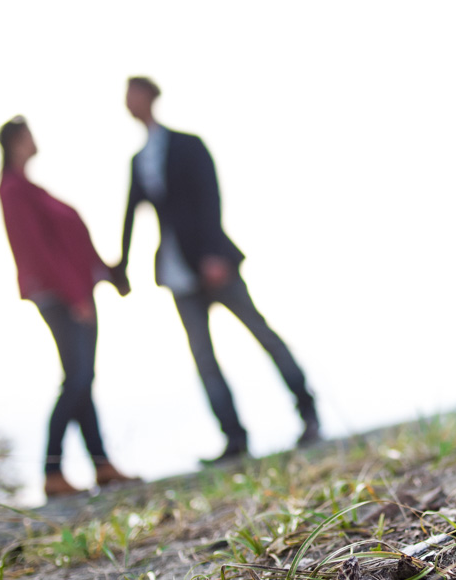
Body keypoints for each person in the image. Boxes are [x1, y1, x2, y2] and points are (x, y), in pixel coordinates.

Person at [112, 76, 321, 463]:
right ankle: (234, 438)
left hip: (212, 262)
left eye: (132, 93)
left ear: (150, 96)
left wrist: (213, 255)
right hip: (176, 272)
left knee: (262, 334)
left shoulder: (187, 144)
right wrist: (120, 268)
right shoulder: (139, 160)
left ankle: (309, 412)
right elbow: (131, 215)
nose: (127, 101)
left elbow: (210, 197)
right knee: (204, 358)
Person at [0, 116, 137, 498]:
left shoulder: (30, 189)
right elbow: (37, 250)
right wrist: (74, 295)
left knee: (81, 378)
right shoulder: (14, 190)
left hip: (74, 291)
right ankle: (53, 469)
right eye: (28, 136)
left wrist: (105, 273)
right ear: (15, 142)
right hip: (60, 296)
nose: (34, 140)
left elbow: (70, 243)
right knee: (75, 379)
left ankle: (101, 464)